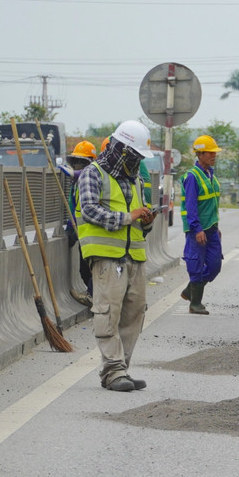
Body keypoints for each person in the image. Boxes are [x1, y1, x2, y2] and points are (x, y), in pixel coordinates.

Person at [77, 120, 156, 392]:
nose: (137, 163)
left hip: (134, 257)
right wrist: (127, 217)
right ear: (122, 150)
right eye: (134, 156)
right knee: (108, 313)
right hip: (107, 257)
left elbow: (138, 220)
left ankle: (122, 367)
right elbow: (89, 210)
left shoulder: (134, 179)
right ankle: (112, 371)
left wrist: (146, 219)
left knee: (134, 313)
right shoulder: (93, 173)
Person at [180, 135, 224, 315]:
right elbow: (190, 206)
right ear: (200, 154)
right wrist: (196, 228)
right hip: (197, 230)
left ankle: (190, 290)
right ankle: (195, 303)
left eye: (215, 153)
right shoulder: (192, 177)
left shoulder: (210, 174)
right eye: (210, 153)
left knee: (214, 266)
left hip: (212, 229)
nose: (214, 156)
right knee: (196, 265)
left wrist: (216, 225)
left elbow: (211, 203)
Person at [62, 140, 97, 303]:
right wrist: (70, 226)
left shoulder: (91, 178)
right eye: (75, 163)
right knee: (84, 269)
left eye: (82, 163)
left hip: (92, 232)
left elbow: (86, 174)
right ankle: (94, 294)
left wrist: (75, 173)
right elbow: (72, 206)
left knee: (93, 268)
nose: (78, 166)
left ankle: (93, 294)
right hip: (81, 231)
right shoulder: (75, 185)